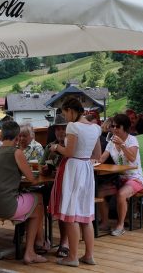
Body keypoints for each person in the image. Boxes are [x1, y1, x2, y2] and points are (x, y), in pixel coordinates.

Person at [0, 121, 48, 265]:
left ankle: (33, 243)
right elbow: (32, 179)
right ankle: (32, 250)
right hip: (5, 205)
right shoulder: (17, 152)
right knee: (39, 201)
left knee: (34, 202)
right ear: (17, 137)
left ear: (1, 134)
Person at [48, 97, 101, 267]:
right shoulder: (96, 128)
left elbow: (69, 152)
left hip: (73, 169)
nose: (66, 118)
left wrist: (56, 148)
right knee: (85, 214)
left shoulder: (73, 126)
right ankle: (89, 255)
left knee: (72, 214)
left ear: (71, 110)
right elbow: (97, 154)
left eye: (65, 114)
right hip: (86, 167)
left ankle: (72, 257)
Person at [99, 114, 143, 236]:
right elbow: (102, 158)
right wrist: (93, 161)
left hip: (135, 177)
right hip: (119, 178)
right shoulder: (112, 141)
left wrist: (122, 145)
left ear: (125, 127)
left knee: (121, 194)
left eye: (117, 126)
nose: (114, 129)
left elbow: (132, 158)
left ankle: (120, 225)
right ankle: (105, 222)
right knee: (100, 193)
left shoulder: (132, 140)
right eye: (112, 126)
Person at [39, 114, 69, 258]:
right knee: (35, 200)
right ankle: (40, 240)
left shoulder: (72, 147)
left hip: (67, 185)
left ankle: (64, 242)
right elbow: (41, 166)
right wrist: (45, 169)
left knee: (62, 203)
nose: (60, 132)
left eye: (63, 129)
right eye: (57, 129)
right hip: (51, 184)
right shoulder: (50, 146)